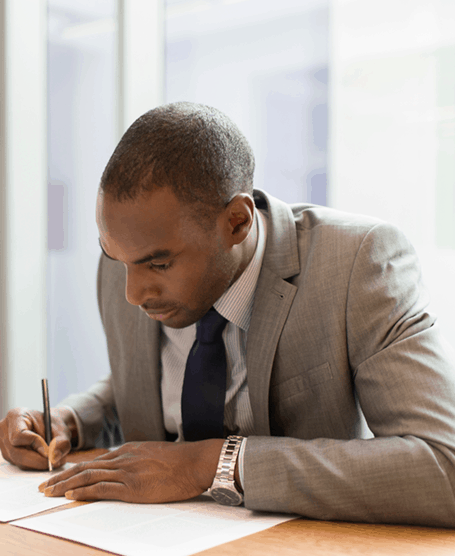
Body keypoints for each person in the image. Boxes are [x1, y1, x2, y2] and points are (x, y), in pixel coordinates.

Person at [2, 102, 455, 525]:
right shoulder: (129, 258)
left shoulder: (357, 263)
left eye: (159, 264)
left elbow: (443, 464)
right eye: (117, 259)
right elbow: (149, 384)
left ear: (237, 221)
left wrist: (212, 464)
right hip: (144, 551)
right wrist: (73, 421)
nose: (133, 293)